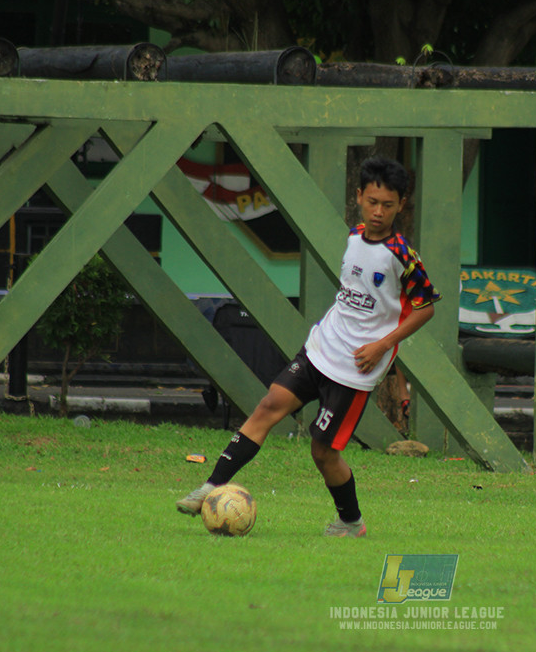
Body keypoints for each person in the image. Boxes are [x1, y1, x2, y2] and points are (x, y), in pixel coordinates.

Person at [175, 156, 440, 537]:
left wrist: (383, 345)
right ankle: (211, 486)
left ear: (401, 205)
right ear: (359, 196)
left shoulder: (402, 256)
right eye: (372, 202)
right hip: (321, 348)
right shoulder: (354, 237)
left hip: (355, 369)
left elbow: (426, 308)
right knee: (269, 405)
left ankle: (351, 522)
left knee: (323, 451)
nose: (378, 212)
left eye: (388, 205)